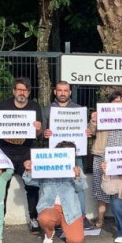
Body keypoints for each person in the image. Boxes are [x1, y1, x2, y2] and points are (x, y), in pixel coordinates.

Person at [0, 77, 43, 231]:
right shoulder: (4, 106)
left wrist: (38, 128)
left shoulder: (34, 107)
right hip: (4, 152)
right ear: (14, 91)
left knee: (32, 185)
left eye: (25, 90)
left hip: (26, 152)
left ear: (29, 92)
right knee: (1, 187)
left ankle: (34, 218)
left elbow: (38, 133)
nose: (22, 93)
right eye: (19, 89)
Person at [42, 81, 93, 229]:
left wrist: (87, 133)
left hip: (75, 155)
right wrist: (44, 133)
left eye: (66, 90)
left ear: (70, 92)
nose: (63, 93)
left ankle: (82, 216)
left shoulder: (78, 110)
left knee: (79, 185)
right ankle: (56, 217)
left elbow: (85, 130)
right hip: (54, 156)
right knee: (54, 185)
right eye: (60, 90)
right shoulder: (47, 110)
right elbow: (40, 133)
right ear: (55, 92)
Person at [88, 90, 122, 228]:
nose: (118, 103)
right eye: (115, 100)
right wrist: (93, 121)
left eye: (121, 100)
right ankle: (100, 218)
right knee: (101, 188)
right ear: (110, 103)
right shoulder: (102, 114)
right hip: (103, 155)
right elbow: (91, 132)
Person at [23, 142, 85, 243]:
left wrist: (77, 177)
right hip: (50, 207)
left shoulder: (76, 169)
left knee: (76, 240)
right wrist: (29, 171)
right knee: (45, 218)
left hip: (70, 209)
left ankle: (67, 226)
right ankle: (49, 232)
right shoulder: (46, 167)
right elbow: (29, 181)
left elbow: (81, 187)